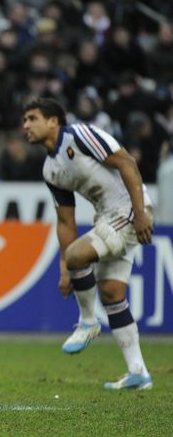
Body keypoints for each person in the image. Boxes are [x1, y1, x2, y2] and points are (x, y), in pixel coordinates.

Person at [22, 97, 154, 390]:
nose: (25, 126)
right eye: (24, 120)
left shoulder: (79, 135)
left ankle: (87, 322)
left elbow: (126, 162)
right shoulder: (50, 170)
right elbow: (66, 221)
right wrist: (64, 269)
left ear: (53, 121)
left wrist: (141, 213)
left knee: (78, 254)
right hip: (107, 217)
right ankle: (139, 372)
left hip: (129, 210)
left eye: (32, 118)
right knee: (111, 292)